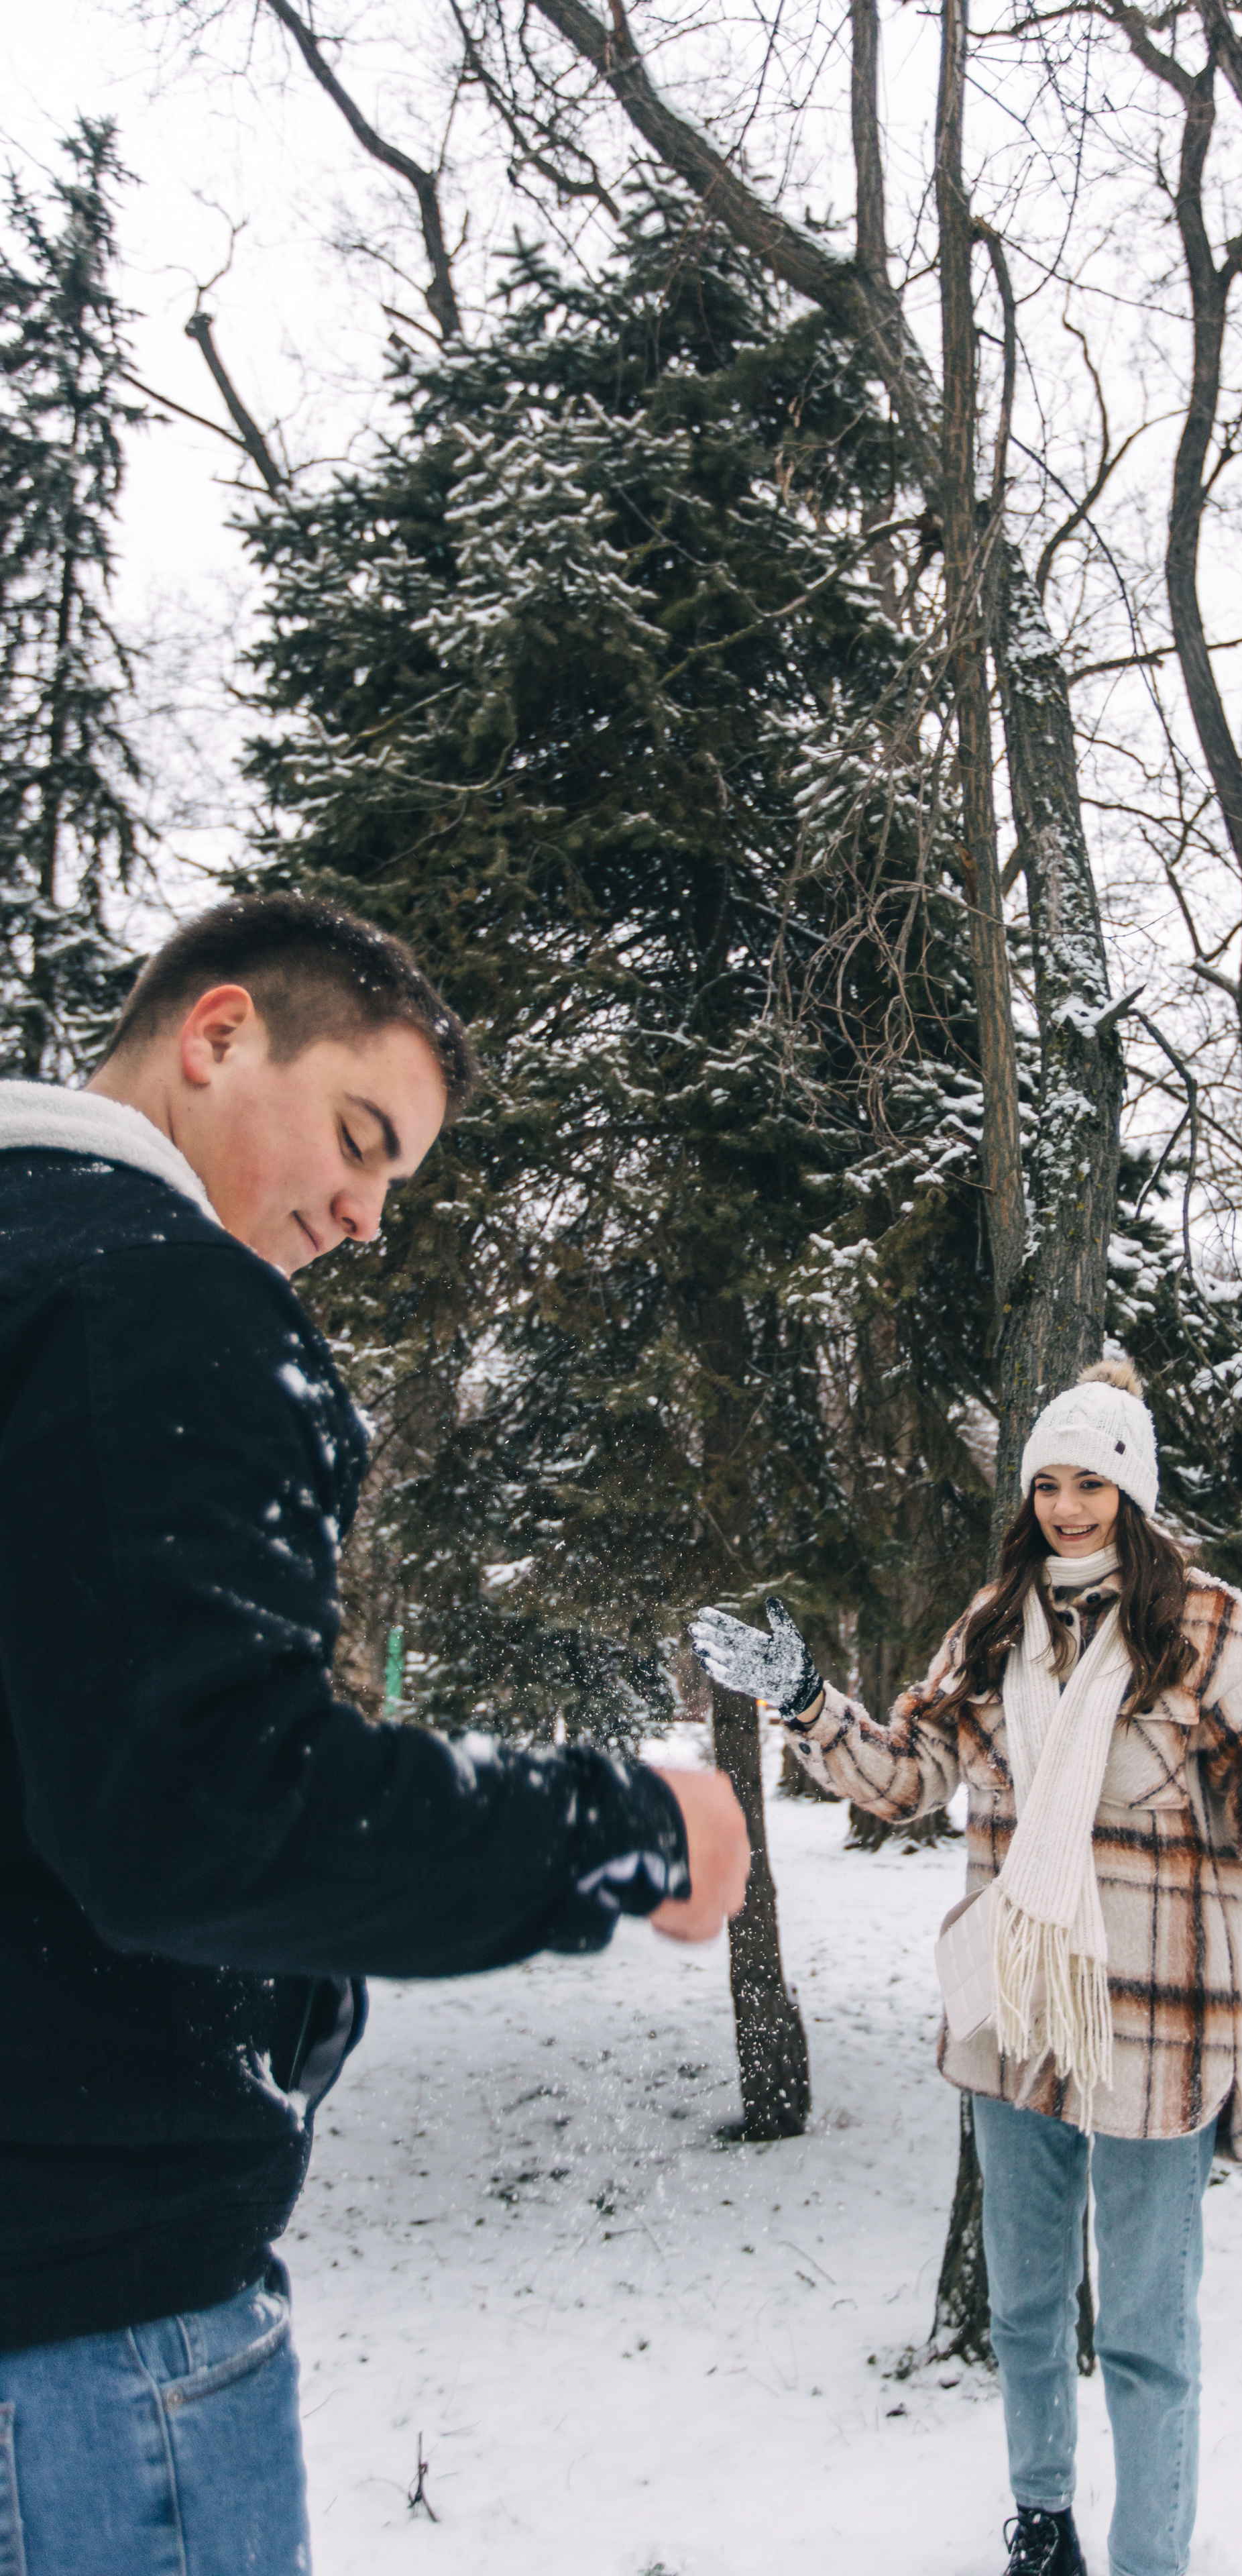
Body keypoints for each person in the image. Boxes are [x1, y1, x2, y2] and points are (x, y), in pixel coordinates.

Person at [0, 893, 750, 2576]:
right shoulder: (156, 1299)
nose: (363, 1217)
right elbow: (208, 1809)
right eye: (359, 1140)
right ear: (218, 1034)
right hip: (90, 2332)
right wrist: (626, 1828)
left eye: (395, 1182)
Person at [689, 1358, 1242, 2576]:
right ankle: (1043, 2527)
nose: (1067, 1508)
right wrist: (805, 1699)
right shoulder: (993, 1627)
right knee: (1027, 2308)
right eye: (1048, 1484)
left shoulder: (1204, 1622)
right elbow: (904, 1777)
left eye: (1091, 1483)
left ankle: (1149, 2560)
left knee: (1146, 2332)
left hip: (1159, 2018)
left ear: (1131, 1491)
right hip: (1020, 2008)